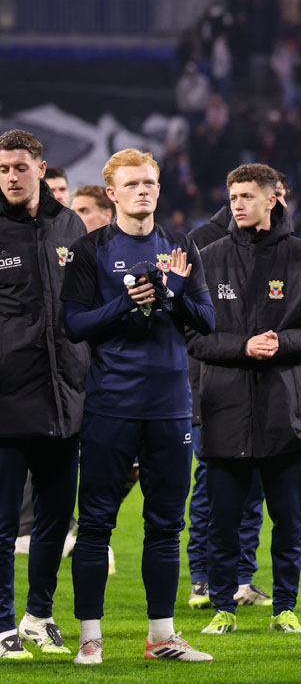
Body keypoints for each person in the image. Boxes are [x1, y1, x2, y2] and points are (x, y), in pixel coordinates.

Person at [60, 148, 216, 665]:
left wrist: (174, 294)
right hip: (111, 404)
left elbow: (208, 320)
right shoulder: (90, 250)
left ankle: (161, 637)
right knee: (96, 523)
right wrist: (126, 302)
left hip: (171, 406)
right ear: (112, 193)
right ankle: (90, 639)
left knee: (166, 524)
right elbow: (74, 324)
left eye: (149, 182)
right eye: (131, 184)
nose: (143, 190)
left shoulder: (181, 245)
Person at [190, 164, 301, 637]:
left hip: (284, 412)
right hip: (224, 411)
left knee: (287, 522)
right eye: (233, 195)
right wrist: (243, 347)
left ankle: (285, 608)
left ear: (273, 199)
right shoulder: (209, 258)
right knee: (222, 522)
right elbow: (193, 337)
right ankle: (223, 607)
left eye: (247, 196)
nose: (237, 204)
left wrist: (284, 342)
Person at [0, 131, 87, 660]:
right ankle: (1, 625)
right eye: (2, 169)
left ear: (40, 168)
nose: (10, 177)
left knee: (56, 517)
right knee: (3, 523)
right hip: (7, 400)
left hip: (64, 397)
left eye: (19, 167)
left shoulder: (70, 225)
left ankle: (38, 615)